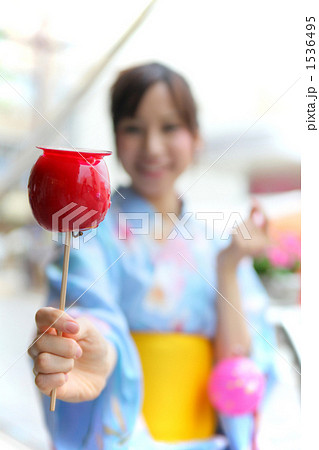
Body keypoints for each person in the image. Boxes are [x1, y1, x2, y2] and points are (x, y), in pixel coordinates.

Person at [28, 62, 277, 450]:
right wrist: (95, 348)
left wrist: (228, 268)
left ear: (196, 138)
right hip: (126, 435)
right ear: (115, 137)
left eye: (170, 127)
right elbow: (90, 319)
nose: (152, 147)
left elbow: (240, 366)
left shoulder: (216, 243)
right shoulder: (90, 233)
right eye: (133, 128)